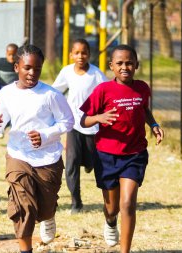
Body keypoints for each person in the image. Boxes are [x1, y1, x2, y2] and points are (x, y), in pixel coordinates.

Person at [0, 44, 74, 253]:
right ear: (17, 67)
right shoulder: (6, 93)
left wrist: (45, 135)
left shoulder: (50, 95)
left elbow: (68, 121)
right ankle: (25, 250)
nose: (32, 73)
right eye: (27, 68)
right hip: (18, 155)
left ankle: (48, 216)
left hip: (48, 159)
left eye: (37, 68)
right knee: (22, 206)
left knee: (44, 208)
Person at [80, 44, 164, 252]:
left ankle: (124, 250)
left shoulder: (142, 88)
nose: (125, 67)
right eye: (120, 63)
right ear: (111, 66)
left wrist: (153, 124)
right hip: (106, 155)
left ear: (136, 65)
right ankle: (110, 222)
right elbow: (83, 121)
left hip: (134, 154)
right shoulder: (103, 90)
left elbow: (143, 109)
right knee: (112, 208)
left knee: (128, 203)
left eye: (129, 63)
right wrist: (99, 117)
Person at [52, 38, 108, 214]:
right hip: (73, 124)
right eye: (76, 52)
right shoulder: (67, 72)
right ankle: (76, 202)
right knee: (71, 164)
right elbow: (56, 91)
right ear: (71, 55)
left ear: (89, 55)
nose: (80, 56)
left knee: (92, 161)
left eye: (84, 52)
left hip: (93, 126)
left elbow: (107, 94)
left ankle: (89, 162)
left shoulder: (97, 75)